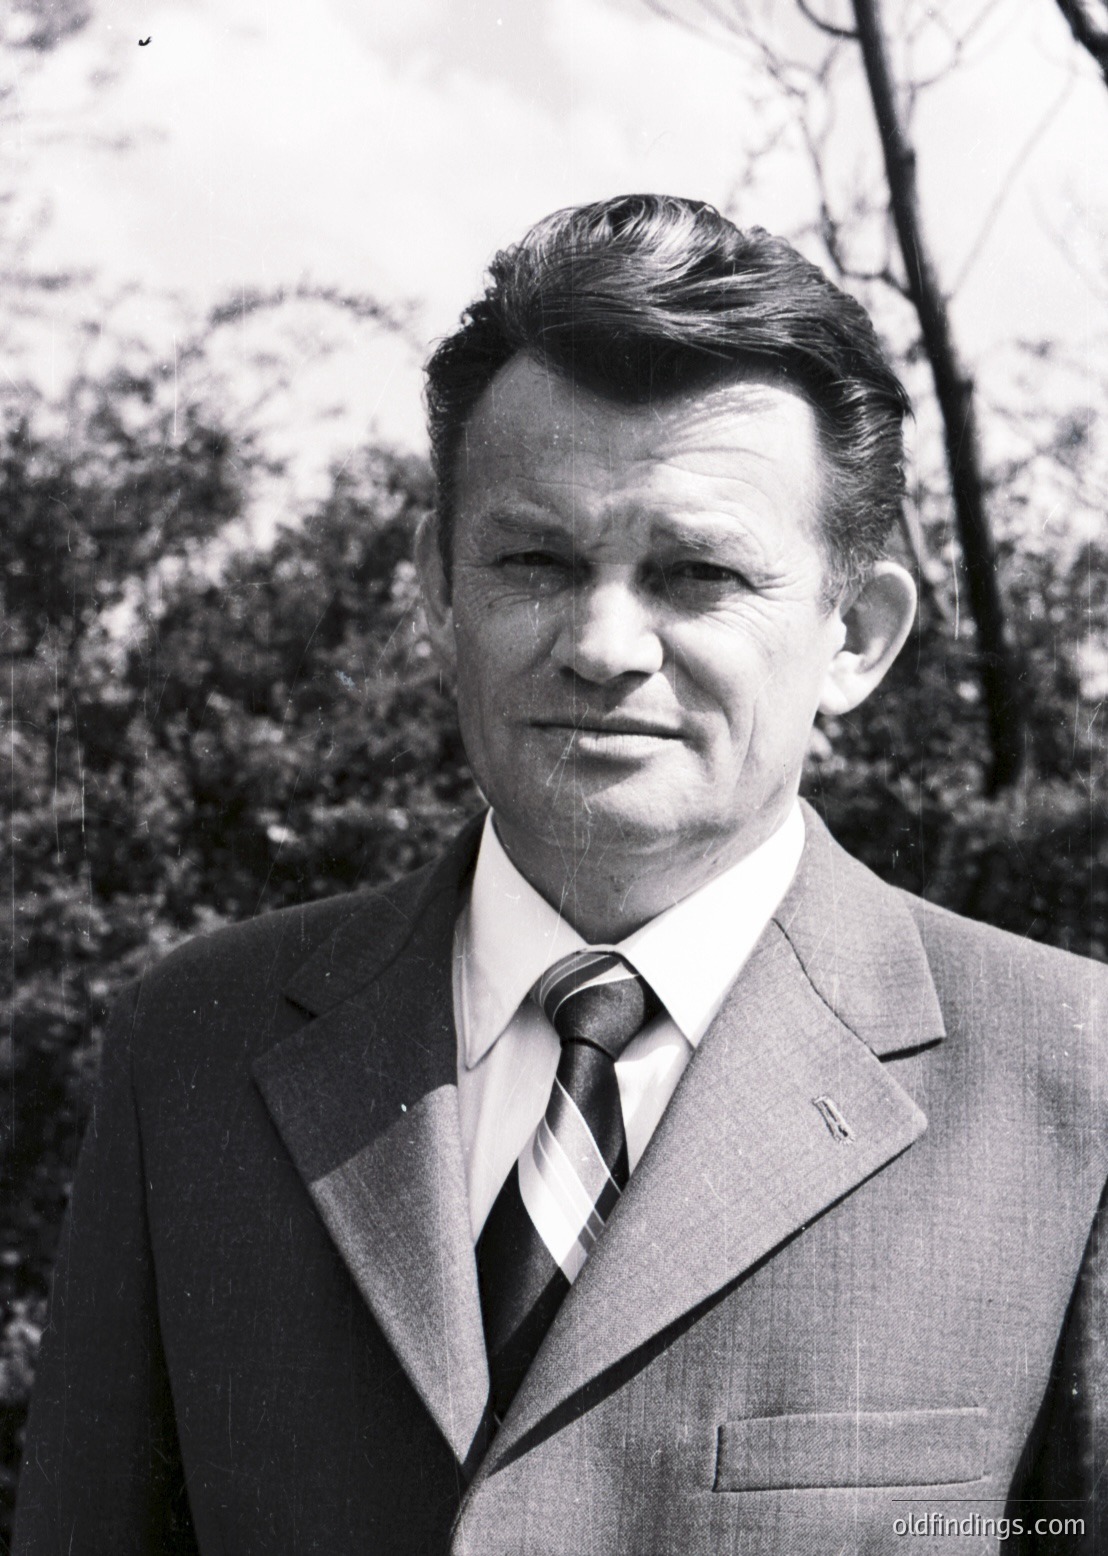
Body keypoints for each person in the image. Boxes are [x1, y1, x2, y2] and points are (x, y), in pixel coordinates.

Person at [14, 194, 1108, 1556]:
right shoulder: (194, 1046)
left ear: (860, 634)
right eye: (537, 560)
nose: (604, 643)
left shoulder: (1070, 1087)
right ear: (439, 589)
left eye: (696, 573)